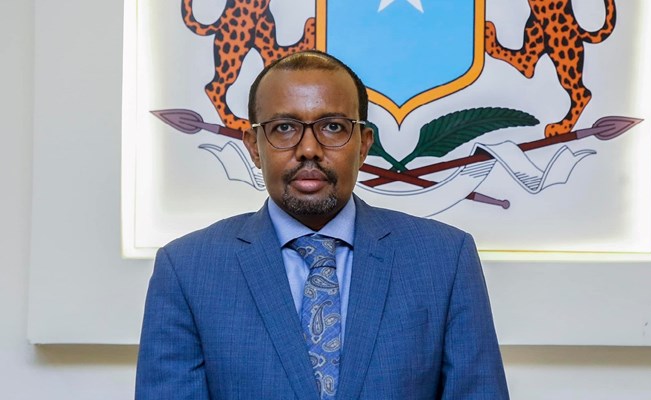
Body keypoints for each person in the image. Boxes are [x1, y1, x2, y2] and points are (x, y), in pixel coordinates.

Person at [136, 50, 509, 399]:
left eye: (332, 127)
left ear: (363, 145)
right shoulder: (188, 269)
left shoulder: (444, 259)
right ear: (253, 146)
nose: (309, 149)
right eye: (284, 127)